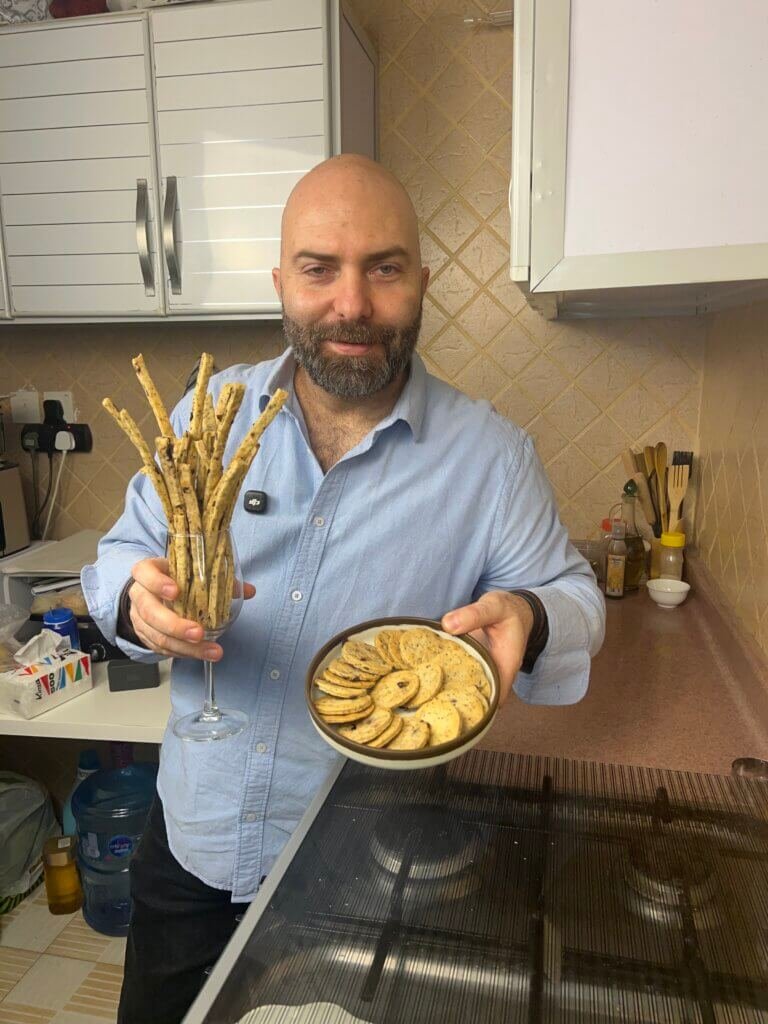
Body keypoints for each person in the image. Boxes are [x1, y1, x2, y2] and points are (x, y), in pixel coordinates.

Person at [82, 154, 605, 1023]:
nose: (352, 304)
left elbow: (574, 595)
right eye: (319, 269)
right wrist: (137, 603)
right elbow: (119, 554)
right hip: (191, 849)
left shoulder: (493, 459)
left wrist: (530, 613)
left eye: (384, 269)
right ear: (281, 283)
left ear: (423, 283)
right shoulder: (207, 419)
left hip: (367, 873)